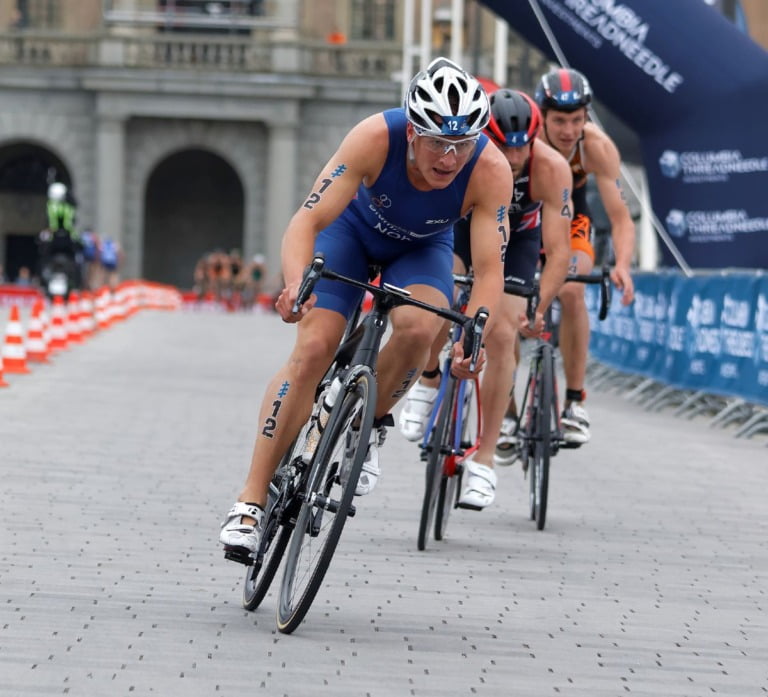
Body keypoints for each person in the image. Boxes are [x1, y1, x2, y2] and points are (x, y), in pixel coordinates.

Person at [219, 57, 514, 561]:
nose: (450, 158)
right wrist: (296, 284)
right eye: (438, 143)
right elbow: (306, 222)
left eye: (461, 144)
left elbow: (488, 272)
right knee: (313, 348)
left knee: (423, 329)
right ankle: (250, 500)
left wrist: (474, 335)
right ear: (413, 132)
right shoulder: (374, 137)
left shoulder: (489, 170)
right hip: (349, 233)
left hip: (421, 249)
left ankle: (368, 422)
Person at [398, 88, 572, 509]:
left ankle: (486, 458)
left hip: (520, 241)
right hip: (464, 226)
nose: (514, 159)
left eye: (523, 148)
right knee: (443, 294)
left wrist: (539, 305)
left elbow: (560, 251)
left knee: (501, 332)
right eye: (503, 147)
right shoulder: (464, 156)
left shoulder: (551, 168)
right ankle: (427, 378)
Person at [531, 67, 635, 444]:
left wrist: (622, 264)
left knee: (572, 289)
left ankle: (574, 400)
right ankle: (507, 412)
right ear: (541, 114)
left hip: (572, 217)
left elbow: (621, 219)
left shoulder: (596, 146)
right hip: (527, 217)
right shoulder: (523, 140)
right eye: (559, 120)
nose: (569, 130)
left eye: (577, 120)